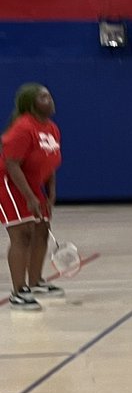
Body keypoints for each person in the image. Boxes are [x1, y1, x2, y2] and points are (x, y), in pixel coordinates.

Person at [2, 83, 64, 311]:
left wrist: (50, 193)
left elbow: (50, 162)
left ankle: (35, 281)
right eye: (43, 97)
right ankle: (18, 292)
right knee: (22, 234)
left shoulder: (52, 128)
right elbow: (11, 164)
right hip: (8, 182)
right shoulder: (22, 128)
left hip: (32, 182)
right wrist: (29, 196)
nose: (49, 99)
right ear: (30, 103)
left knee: (41, 230)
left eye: (49, 95)